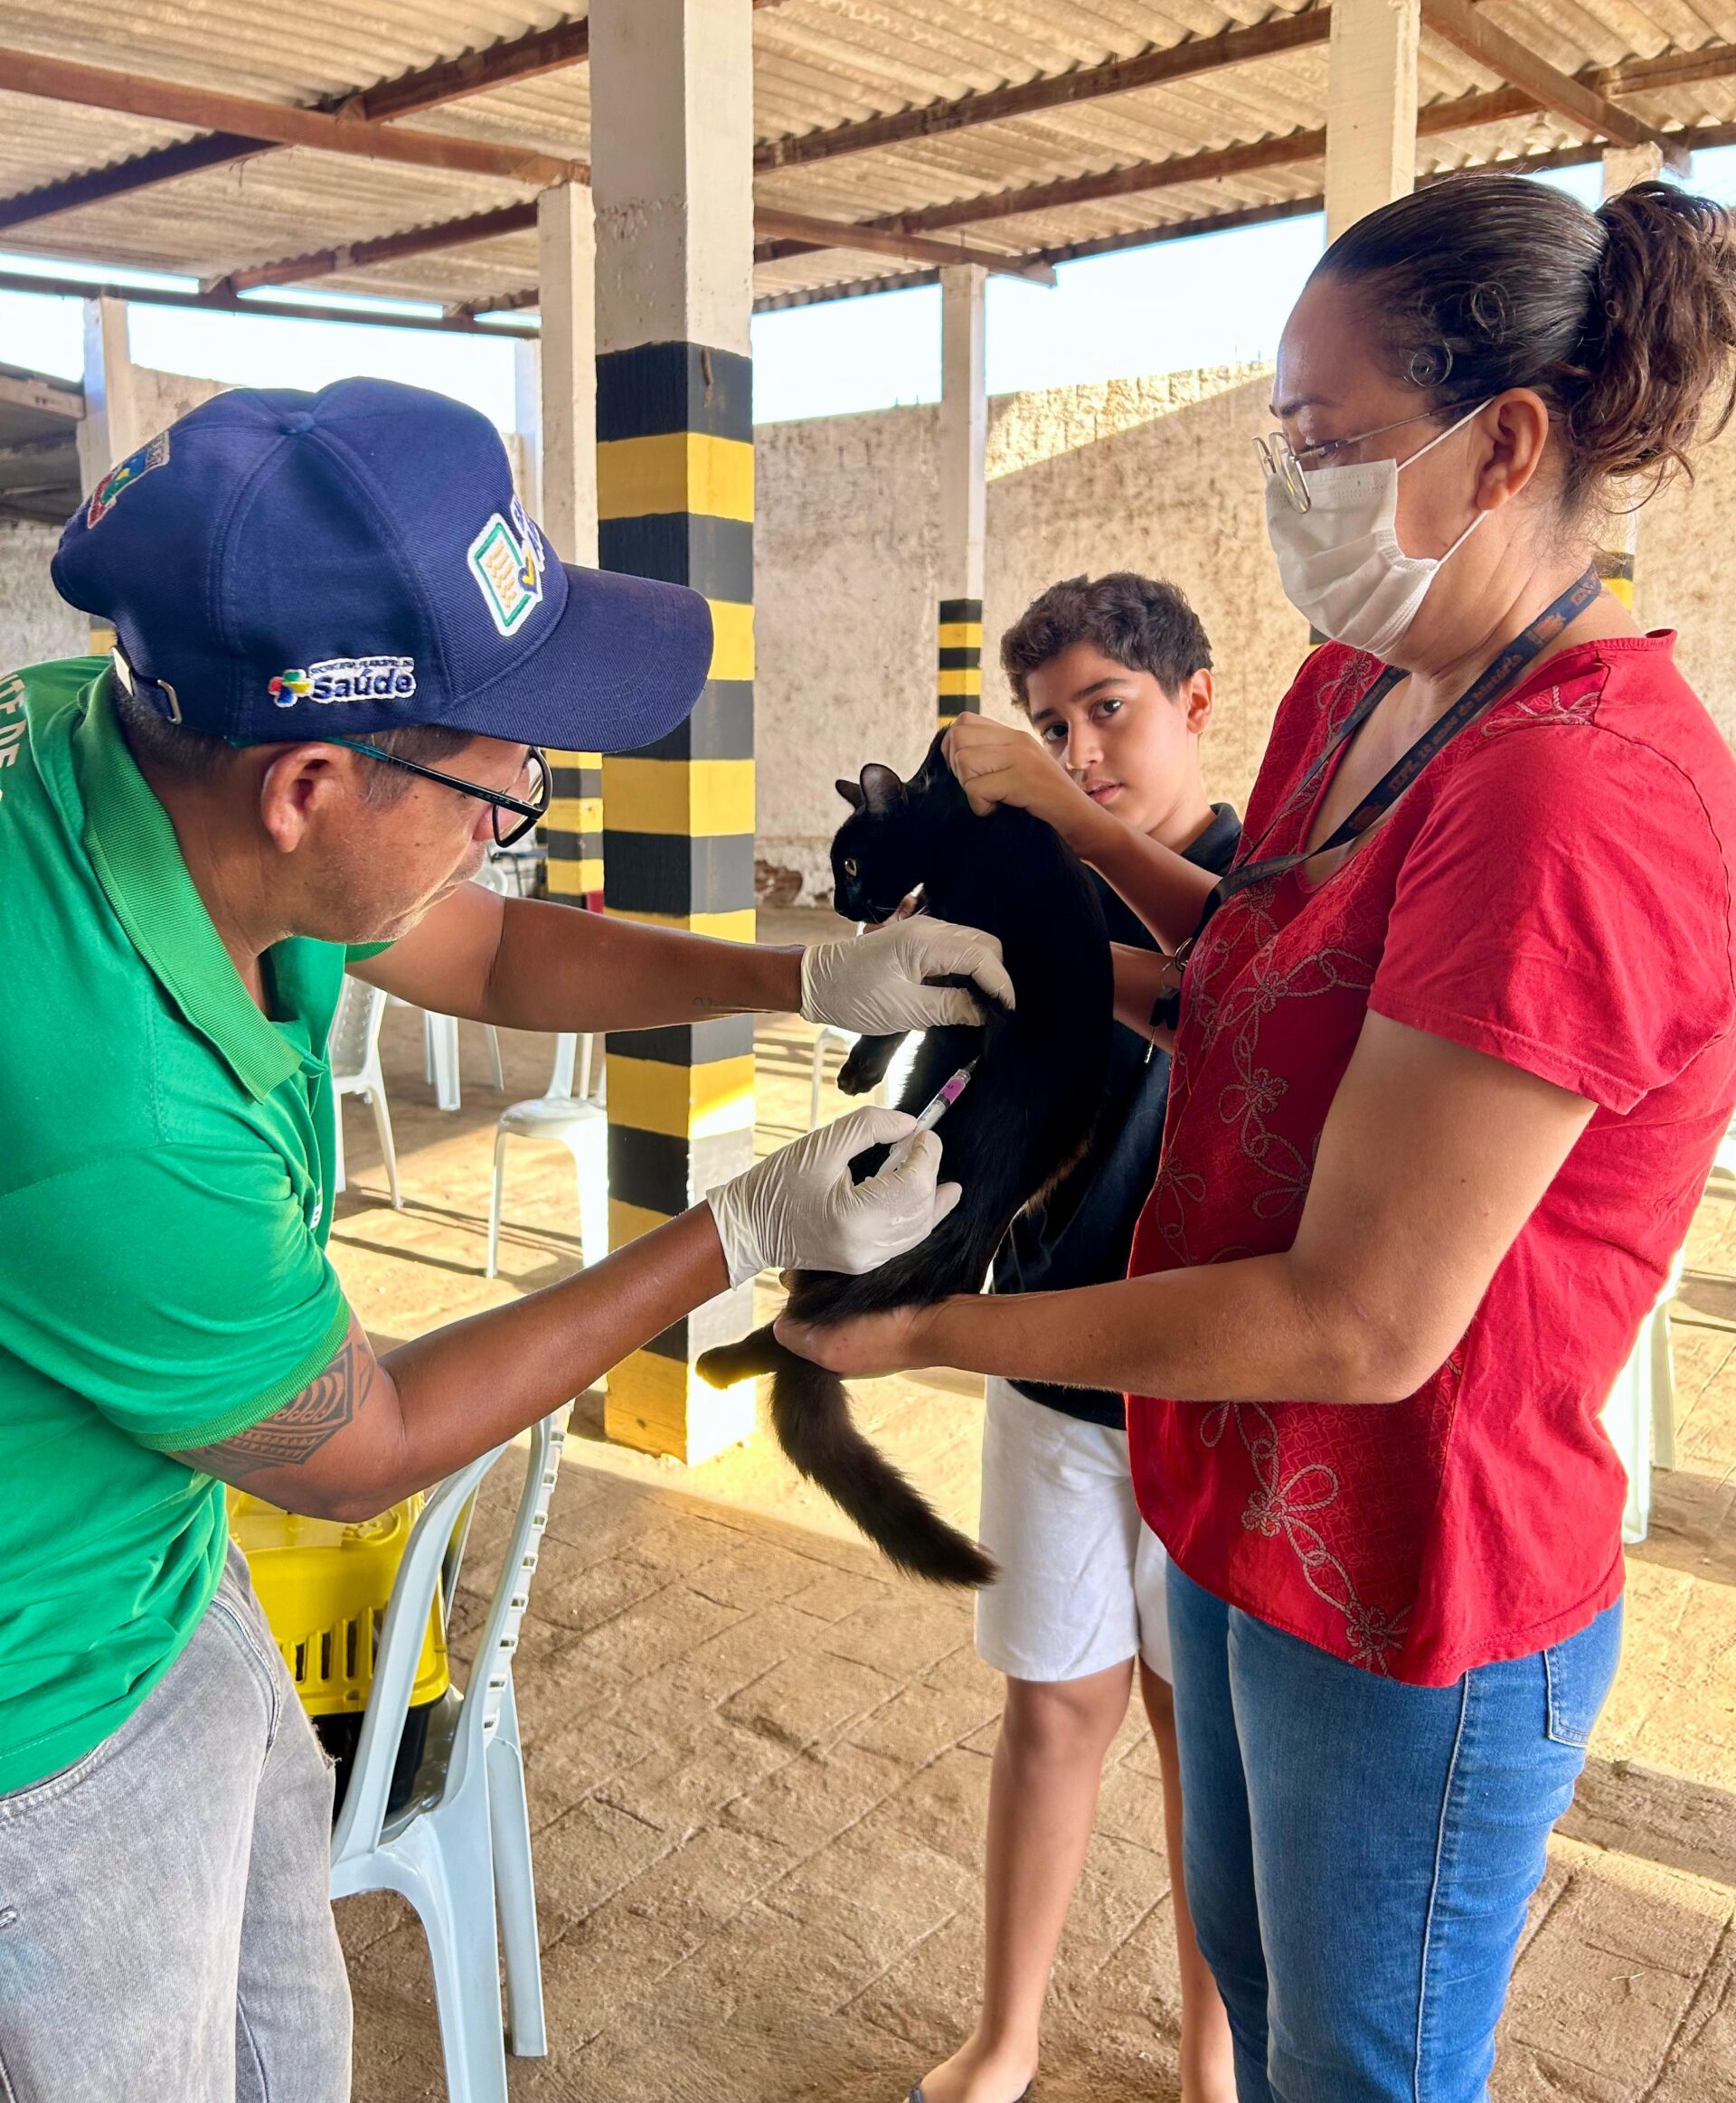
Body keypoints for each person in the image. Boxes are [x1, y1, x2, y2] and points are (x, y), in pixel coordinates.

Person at [779, 174, 1736, 2101]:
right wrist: (1037, 922)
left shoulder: (1583, 796)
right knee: (1256, 1980)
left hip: (1410, 1570)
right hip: (1225, 1499)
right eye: (1276, 429)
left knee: (1357, 2071)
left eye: (1325, 434)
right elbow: (1250, 968)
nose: (1290, 473)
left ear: (1509, 444)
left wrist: (933, 1329)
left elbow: (1359, 1321)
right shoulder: (1362, 690)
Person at [0, 380, 1006, 2103]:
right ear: (311, 780)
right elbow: (357, 1450)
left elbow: (479, 955)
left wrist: (794, 980)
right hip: (41, 1721)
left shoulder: (147, 742)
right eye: (500, 775)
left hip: (156, 1570)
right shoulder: (101, 1091)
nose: (517, 803)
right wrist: (741, 1231)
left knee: (285, 2036)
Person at [912, 573, 1237, 2103]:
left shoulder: (1259, 899)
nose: (1079, 750)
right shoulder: (1041, 903)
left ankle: (1211, 2053)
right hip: (1048, 1375)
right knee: (1052, 1710)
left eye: (1108, 709)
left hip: (1211, 1391)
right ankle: (1008, 2033)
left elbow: (1229, 1014)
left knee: (1202, 1748)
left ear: (1197, 701)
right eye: (1050, 722)